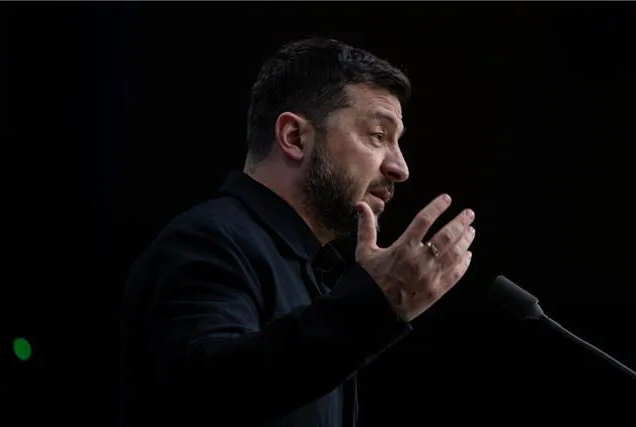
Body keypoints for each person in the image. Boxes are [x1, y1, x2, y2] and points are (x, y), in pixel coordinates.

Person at [119, 37, 476, 427]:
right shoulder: (209, 240)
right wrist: (377, 304)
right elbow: (211, 391)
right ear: (294, 137)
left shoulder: (314, 271)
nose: (400, 168)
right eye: (378, 135)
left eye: (396, 142)